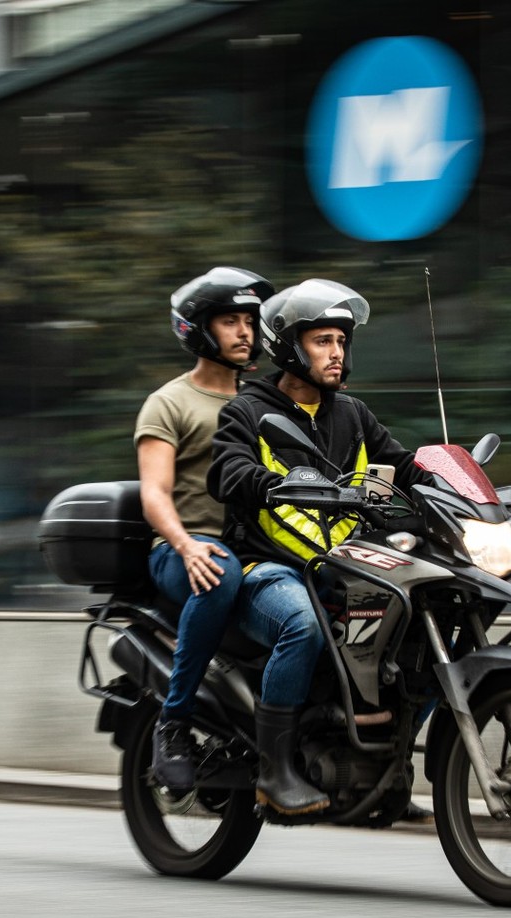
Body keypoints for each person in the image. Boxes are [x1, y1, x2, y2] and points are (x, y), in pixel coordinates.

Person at [208, 279, 432, 816]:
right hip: (270, 567)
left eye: (340, 342)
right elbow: (226, 470)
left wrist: (457, 489)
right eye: (323, 341)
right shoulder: (248, 410)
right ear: (289, 346)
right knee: (301, 624)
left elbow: (405, 467)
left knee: (426, 618)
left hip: (345, 566)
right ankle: (274, 769)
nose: (336, 353)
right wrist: (266, 481)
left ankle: (390, 766)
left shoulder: (352, 414)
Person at [135, 266, 275, 793]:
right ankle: (174, 723)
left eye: (250, 322)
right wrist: (185, 544)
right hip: (186, 549)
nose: (245, 332)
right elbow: (154, 491)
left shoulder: (263, 401)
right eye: (231, 322)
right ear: (198, 330)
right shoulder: (170, 403)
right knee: (219, 571)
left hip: (256, 548)